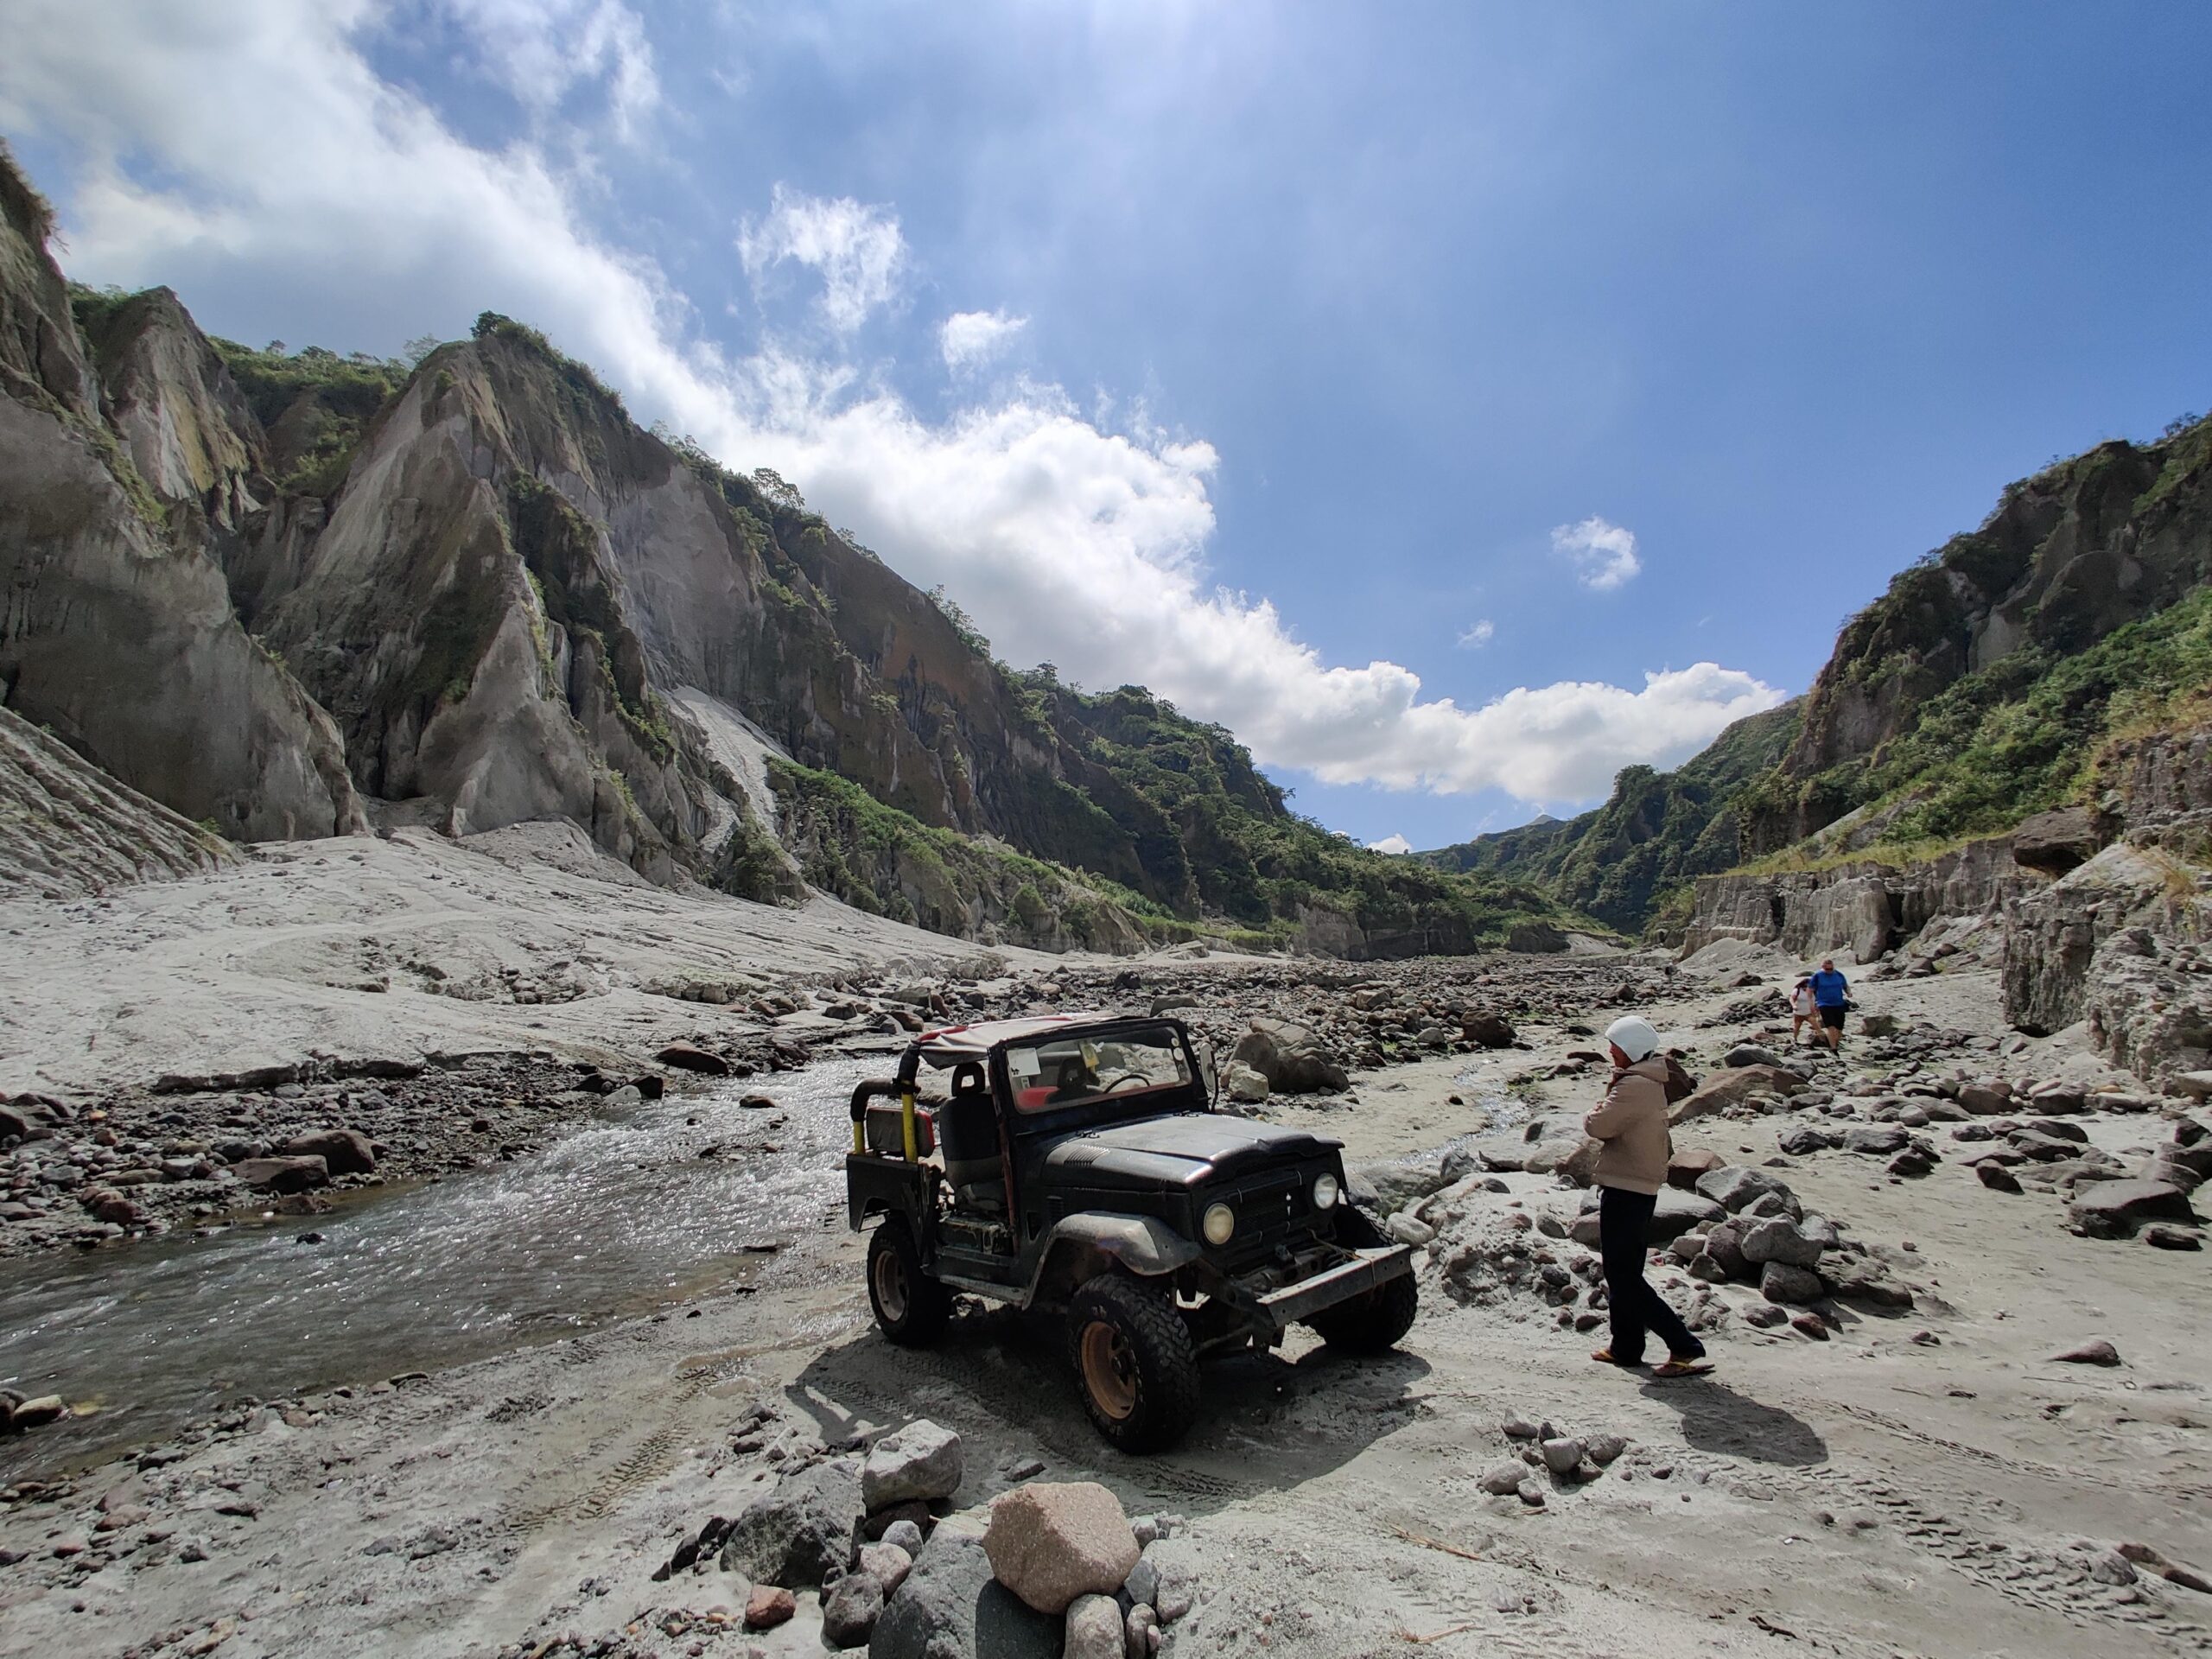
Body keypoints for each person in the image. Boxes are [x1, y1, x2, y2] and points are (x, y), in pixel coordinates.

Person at [1583, 1014, 1712, 1378]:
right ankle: (1626, 1346)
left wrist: (1596, 1107)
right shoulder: (1646, 1078)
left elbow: (1598, 1125)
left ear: (1630, 1050)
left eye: (1615, 1046)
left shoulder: (1634, 1085)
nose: (1610, 1051)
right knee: (1624, 1271)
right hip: (1636, 1183)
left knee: (1623, 1276)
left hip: (1628, 1184)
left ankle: (1684, 1345)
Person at [1808, 957, 1850, 1052]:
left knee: (1839, 1029)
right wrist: (1812, 1004)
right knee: (1831, 1027)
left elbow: (1845, 985)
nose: (1829, 971)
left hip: (1839, 1003)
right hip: (1824, 1004)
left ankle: (1835, 1042)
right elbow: (1810, 990)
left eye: (1831, 969)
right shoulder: (1817, 976)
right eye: (1827, 969)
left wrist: (1848, 992)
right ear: (1822, 967)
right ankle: (1833, 1048)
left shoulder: (1838, 974)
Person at [1789, 976, 1815, 1046]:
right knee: (1797, 1026)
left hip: (1810, 1012)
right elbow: (1791, 999)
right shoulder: (1797, 991)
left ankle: (1820, 1040)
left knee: (1816, 1025)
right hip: (1799, 1012)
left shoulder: (1814, 990)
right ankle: (1794, 1039)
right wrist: (1793, 1005)